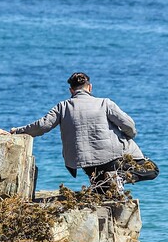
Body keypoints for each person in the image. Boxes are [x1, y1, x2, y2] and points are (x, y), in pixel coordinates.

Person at [11, 72, 158, 193]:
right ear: (90, 87)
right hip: (112, 158)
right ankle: (122, 177)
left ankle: (112, 181)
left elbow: (42, 126)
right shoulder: (104, 103)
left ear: (71, 90)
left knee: (104, 191)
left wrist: (17, 131)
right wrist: (128, 137)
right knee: (152, 169)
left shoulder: (62, 107)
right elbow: (129, 125)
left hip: (84, 162)